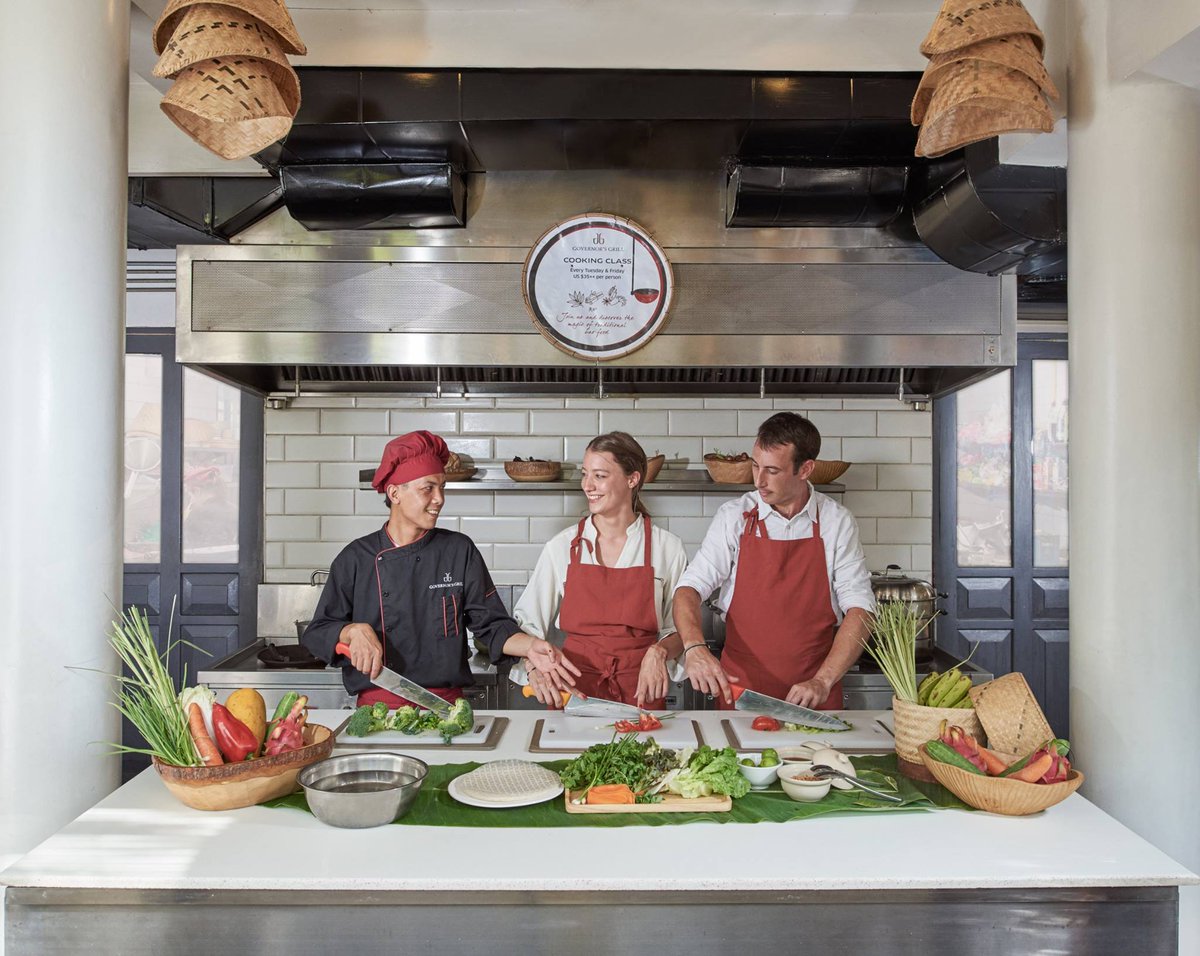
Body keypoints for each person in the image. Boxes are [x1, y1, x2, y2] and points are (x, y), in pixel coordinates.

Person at [303, 430, 579, 708]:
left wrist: (531, 647)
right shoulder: (356, 558)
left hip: (446, 706)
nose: (439, 499)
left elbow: (491, 625)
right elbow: (317, 633)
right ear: (395, 492)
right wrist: (350, 631)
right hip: (378, 707)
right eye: (428, 488)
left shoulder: (458, 551)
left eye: (442, 487)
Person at [673, 412, 875, 709]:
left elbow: (861, 609)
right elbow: (688, 590)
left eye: (773, 471)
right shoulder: (735, 518)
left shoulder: (836, 522)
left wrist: (823, 680)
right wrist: (694, 647)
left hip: (812, 694)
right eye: (755, 466)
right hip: (741, 692)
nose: (759, 481)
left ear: (805, 469)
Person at [512, 432, 689, 709]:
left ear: (632, 479)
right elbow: (526, 624)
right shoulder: (561, 547)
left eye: (600, 476)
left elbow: (682, 630)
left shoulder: (667, 548)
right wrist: (533, 667)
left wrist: (660, 650)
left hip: (640, 692)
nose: (588, 485)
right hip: (574, 691)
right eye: (585, 474)